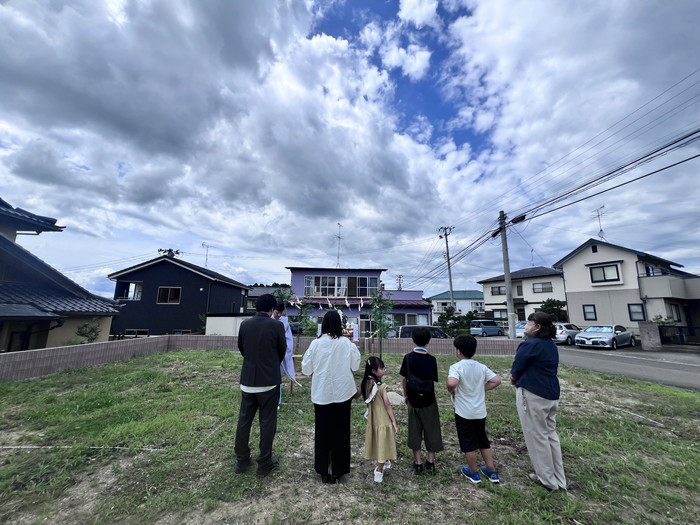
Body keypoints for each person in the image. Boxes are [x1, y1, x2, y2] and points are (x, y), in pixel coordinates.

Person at [301, 310, 361, 484]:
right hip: (343, 393)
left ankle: (323, 470)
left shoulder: (316, 344)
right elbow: (355, 366)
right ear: (340, 325)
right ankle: (338, 470)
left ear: (324, 325)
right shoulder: (346, 343)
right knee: (341, 432)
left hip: (321, 393)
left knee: (322, 432)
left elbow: (306, 369)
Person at [510, 312, 567, 491]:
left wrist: (513, 378)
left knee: (537, 436)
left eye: (529, 322)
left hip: (533, 393)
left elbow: (516, 368)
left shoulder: (530, 344)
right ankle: (559, 478)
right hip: (550, 394)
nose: (526, 324)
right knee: (550, 435)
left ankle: (547, 479)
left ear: (537, 327)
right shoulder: (550, 344)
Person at [234, 293, 287, 477]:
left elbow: (242, 348)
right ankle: (264, 463)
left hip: (248, 380)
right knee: (267, 422)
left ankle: (241, 460)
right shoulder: (277, 325)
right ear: (272, 309)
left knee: (244, 421)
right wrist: (271, 365)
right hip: (269, 382)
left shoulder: (245, 324)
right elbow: (282, 350)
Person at [447, 335, 502, 484]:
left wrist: (451, 389)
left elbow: (452, 382)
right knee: (482, 440)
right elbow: (497, 380)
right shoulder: (481, 366)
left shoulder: (456, 367)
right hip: (480, 411)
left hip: (463, 412)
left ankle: (473, 472)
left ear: (458, 351)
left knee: (468, 442)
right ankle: (491, 471)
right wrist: (482, 389)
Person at [400, 326, 444, 475]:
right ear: (428, 341)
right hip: (429, 400)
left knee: (414, 430)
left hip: (413, 399)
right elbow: (433, 379)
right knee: (431, 429)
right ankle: (430, 462)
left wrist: (406, 395)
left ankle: (418, 462)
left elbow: (404, 379)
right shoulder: (431, 360)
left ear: (413, 341)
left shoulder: (408, 358)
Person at [361, 356, 399, 483]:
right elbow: (387, 404)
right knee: (383, 440)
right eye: (381, 368)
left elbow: (358, 395)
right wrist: (393, 420)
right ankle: (379, 470)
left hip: (373, 417)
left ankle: (386, 461)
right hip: (382, 417)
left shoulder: (366, 383)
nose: (383, 370)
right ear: (374, 371)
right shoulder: (381, 386)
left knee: (379, 439)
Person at [272, 300, 298, 405]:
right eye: (277, 312)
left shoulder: (284, 321)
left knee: (277, 378)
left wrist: (285, 351)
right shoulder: (267, 320)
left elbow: (289, 339)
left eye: (281, 312)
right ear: (272, 309)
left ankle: (277, 401)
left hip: (279, 353)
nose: (279, 315)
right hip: (268, 354)